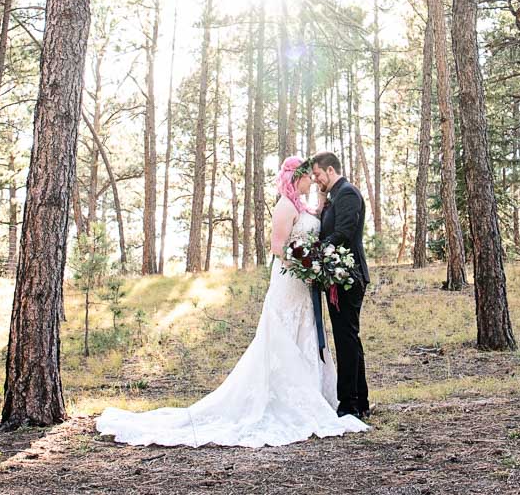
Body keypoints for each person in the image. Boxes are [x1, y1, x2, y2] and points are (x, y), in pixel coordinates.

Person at [95, 156, 368, 447]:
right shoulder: (286, 206)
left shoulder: (311, 204)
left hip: (308, 284)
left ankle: (329, 397)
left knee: (313, 336)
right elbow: (278, 247)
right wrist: (309, 263)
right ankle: (291, 399)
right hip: (292, 281)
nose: (312, 181)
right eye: (307, 176)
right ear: (295, 177)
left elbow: (327, 233)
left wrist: (314, 264)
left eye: (315, 176)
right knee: (286, 336)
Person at [311, 150, 371, 420]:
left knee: (346, 340)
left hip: (349, 276)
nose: (316, 179)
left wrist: (315, 255)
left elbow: (344, 233)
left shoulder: (347, 193)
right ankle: (360, 400)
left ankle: (349, 404)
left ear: (330, 170)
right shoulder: (334, 196)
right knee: (349, 338)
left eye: (318, 174)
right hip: (339, 275)